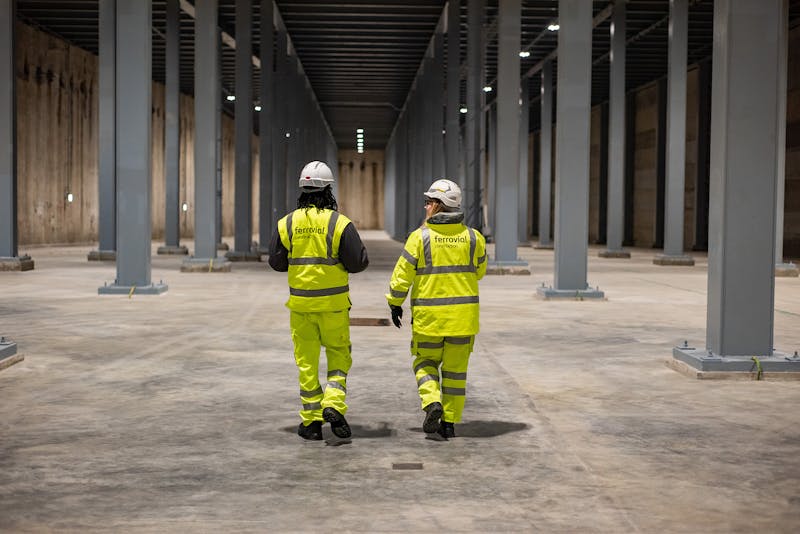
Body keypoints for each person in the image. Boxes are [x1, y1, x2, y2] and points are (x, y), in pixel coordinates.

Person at [268, 160, 369, 441]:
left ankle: (311, 423)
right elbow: (359, 262)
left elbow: (276, 262)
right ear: (329, 190)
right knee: (338, 358)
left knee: (306, 364)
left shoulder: (286, 223)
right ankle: (334, 404)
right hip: (334, 307)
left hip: (300, 308)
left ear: (302, 190)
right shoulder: (339, 223)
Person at [385, 179, 486, 439]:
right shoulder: (474, 238)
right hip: (463, 322)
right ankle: (449, 423)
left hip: (429, 320)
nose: (426, 206)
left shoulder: (420, 237)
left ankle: (432, 403)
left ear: (438, 206)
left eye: (429, 202)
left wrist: (395, 302)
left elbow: (402, 275)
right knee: (454, 375)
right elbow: (480, 271)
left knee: (425, 363)